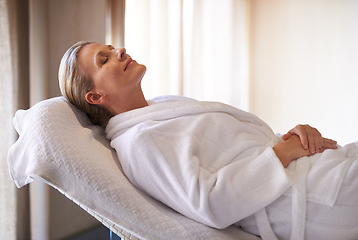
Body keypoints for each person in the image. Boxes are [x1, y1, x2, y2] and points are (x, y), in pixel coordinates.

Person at [59, 41, 358, 240]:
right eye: (105, 59)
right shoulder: (140, 143)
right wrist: (282, 153)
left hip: (319, 169)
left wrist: (295, 136)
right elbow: (210, 203)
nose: (120, 51)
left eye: (112, 49)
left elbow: (237, 149)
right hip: (313, 199)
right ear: (96, 96)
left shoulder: (163, 106)